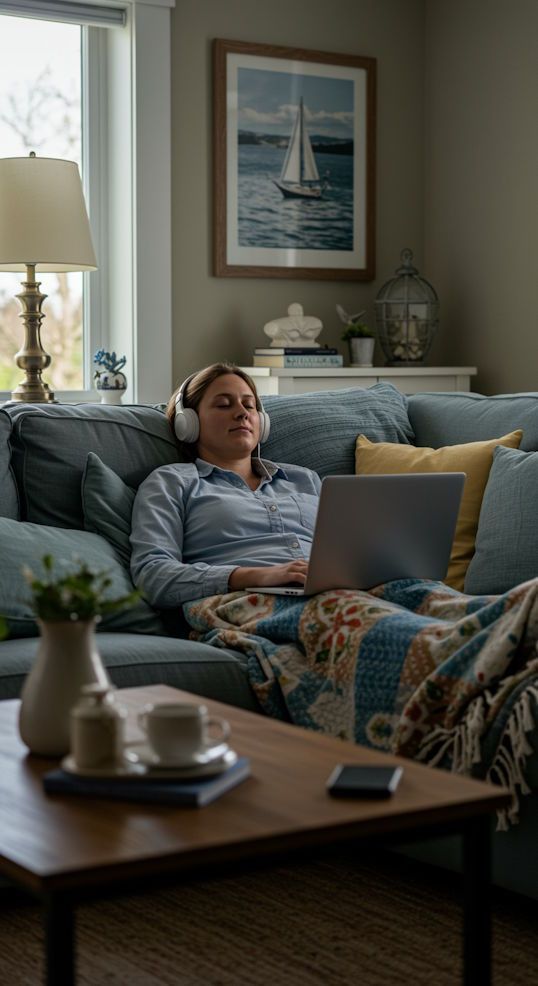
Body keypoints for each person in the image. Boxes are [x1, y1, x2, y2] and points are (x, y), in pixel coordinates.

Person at [130, 362, 321, 608]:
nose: (242, 413)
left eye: (249, 405)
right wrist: (257, 576)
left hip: (334, 592)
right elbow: (152, 575)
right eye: (223, 404)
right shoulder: (171, 482)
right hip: (242, 602)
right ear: (188, 423)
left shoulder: (305, 479)